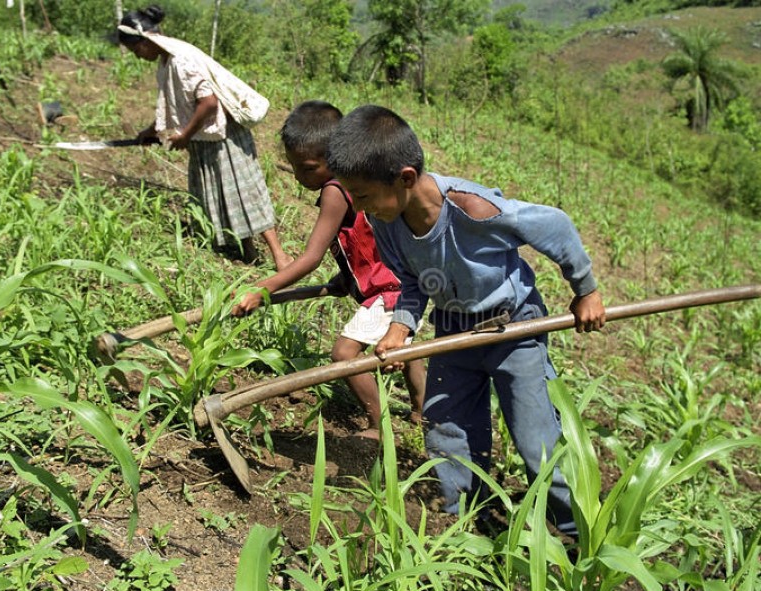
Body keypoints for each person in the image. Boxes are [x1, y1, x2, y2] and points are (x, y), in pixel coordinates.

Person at [325, 104, 607, 535]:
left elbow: (555, 226)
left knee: (536, 441)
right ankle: (464, 520)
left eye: (362, 195)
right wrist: (401, 327)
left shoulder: (472, 210)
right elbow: (412, 281)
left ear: (403, 178)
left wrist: (585, 289)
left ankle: (574, 533)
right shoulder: (387, 220)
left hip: (512, 328)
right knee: (446, 427)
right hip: (454, 331)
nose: (358, 208)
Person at [232, 100, 426, 440]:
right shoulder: (353, 185)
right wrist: (346, 279)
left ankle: (378, 428)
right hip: (398, 281)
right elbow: (361, 241)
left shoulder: (335, 191)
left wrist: (262, 289)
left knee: (344, 353)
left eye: (307, 168)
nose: (298, 176)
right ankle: (421, 412)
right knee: (409, 351)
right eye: (294, 167)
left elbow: (310, 258)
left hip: (389, 290)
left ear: (334, 158)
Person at [117, 5, 292, 270]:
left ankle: (280, 257)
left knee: (245, 193)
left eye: (136, 50)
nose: (138, 56)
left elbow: (208, 103)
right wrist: (151, 130)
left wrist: (185, 135)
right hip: (206, 138)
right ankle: (248, 251)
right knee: (226, 196)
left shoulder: (181, 60)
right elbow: (175, 103)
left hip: (225, 137)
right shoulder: (166, 63)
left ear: (146, 41)